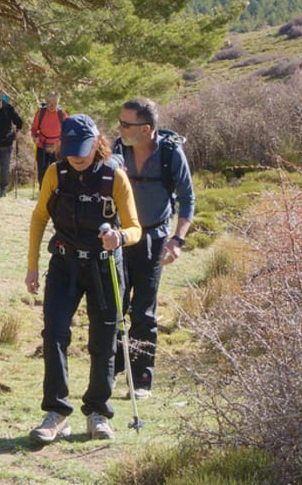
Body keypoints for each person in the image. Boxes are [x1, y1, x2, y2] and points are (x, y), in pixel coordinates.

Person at [24, 114, 140, 443]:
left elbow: (135, 227)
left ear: (97, 143)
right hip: (64, 265)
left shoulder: (114, 176)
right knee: (54, 335)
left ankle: (98, 412)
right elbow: (39, 217)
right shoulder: (55, 173)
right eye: (70, 148)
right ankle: (57, 413)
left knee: (104, 341)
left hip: (104, 267)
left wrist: (120, 236)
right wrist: (32, 267)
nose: (77, 156)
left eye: (83, 149)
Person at [111, 97, 194, 400]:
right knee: (114, 306)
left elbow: (188, 199)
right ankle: (112, 370)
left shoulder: (171, 154)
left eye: (125, 124)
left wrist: (177, 240)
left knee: (143, 311)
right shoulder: (117, 149)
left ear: (145, 129)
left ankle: (142, 378)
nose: (119, 128)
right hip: (120, 238)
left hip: (153, 240)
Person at [30, 91, 66, 183]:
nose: (51, 105)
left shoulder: (62, 114)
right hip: (42, 145)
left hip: (57, 147)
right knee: (42, 171)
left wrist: (60, 143)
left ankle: (56, 192)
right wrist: (35, 137)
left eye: (54, 103)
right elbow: (34, 128)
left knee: (57, 170)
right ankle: (42, 191)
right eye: (49, 103)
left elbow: (67, 131)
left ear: (58, 103)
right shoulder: (40, 113)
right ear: (46, 102)